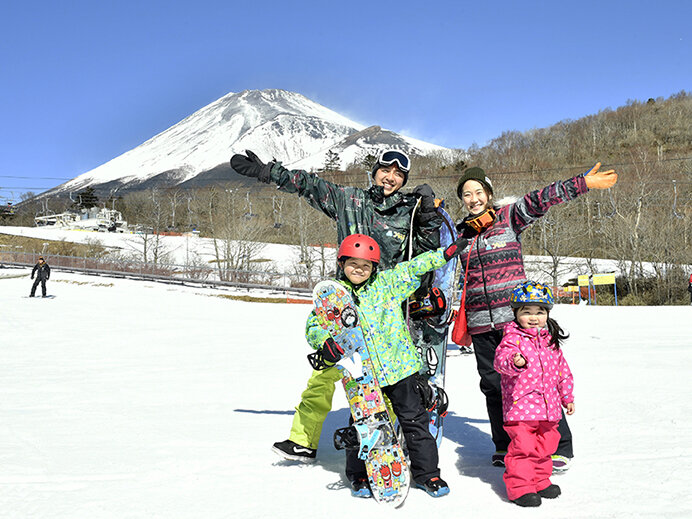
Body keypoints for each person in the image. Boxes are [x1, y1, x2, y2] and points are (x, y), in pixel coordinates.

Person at [230, 149, 443, 463]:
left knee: (384, 381)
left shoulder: (408, 210)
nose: (391, 178)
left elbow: (427, 258)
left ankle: (385, 448)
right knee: (326, 367)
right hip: (342, 300)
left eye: (399, 175)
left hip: (385, 305)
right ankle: (303, 440)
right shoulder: (349, 200)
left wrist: (427, 221)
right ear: (374, 171)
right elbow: (310, 186)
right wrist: (269, 172)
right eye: (386, 170)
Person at [454, 162, 616, 471]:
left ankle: (558, 446)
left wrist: (582, 183)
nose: (473, 198)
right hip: (479, 323)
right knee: (493, 386)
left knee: (538, 380)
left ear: (489, 194)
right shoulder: (462, 233)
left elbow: (542, 198)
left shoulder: (508, 218)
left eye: (478, 192)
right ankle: (505, 446)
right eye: (466, 194)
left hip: (515, 323)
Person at [306, 233, 467, 498]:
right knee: (364, 425)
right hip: (363, 376)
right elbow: (314, 325)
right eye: (353, 264)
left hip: (400, 368)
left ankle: (428, 475)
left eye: (366, 265)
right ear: (341, 263)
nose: (359, 269)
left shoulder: (386, 284)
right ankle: (359, 475)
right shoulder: (333, 296)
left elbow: (413, 267)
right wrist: (326, 343)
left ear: (374, 268)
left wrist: (444, 254)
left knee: (415, 422)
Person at [493, 281, 575, 507]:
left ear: (547, 314)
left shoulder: (550, 341)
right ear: (516, 313)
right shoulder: (512, 338)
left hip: (548, 408)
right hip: (521, 408)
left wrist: (567, 397)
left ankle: (539, 481)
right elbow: (500, 361)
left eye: (539, 312)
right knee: (524, 448)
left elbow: (562, 371)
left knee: (546, 446)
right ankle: (520, 487)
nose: (533, 317)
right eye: (526, 312)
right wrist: (514, 361)